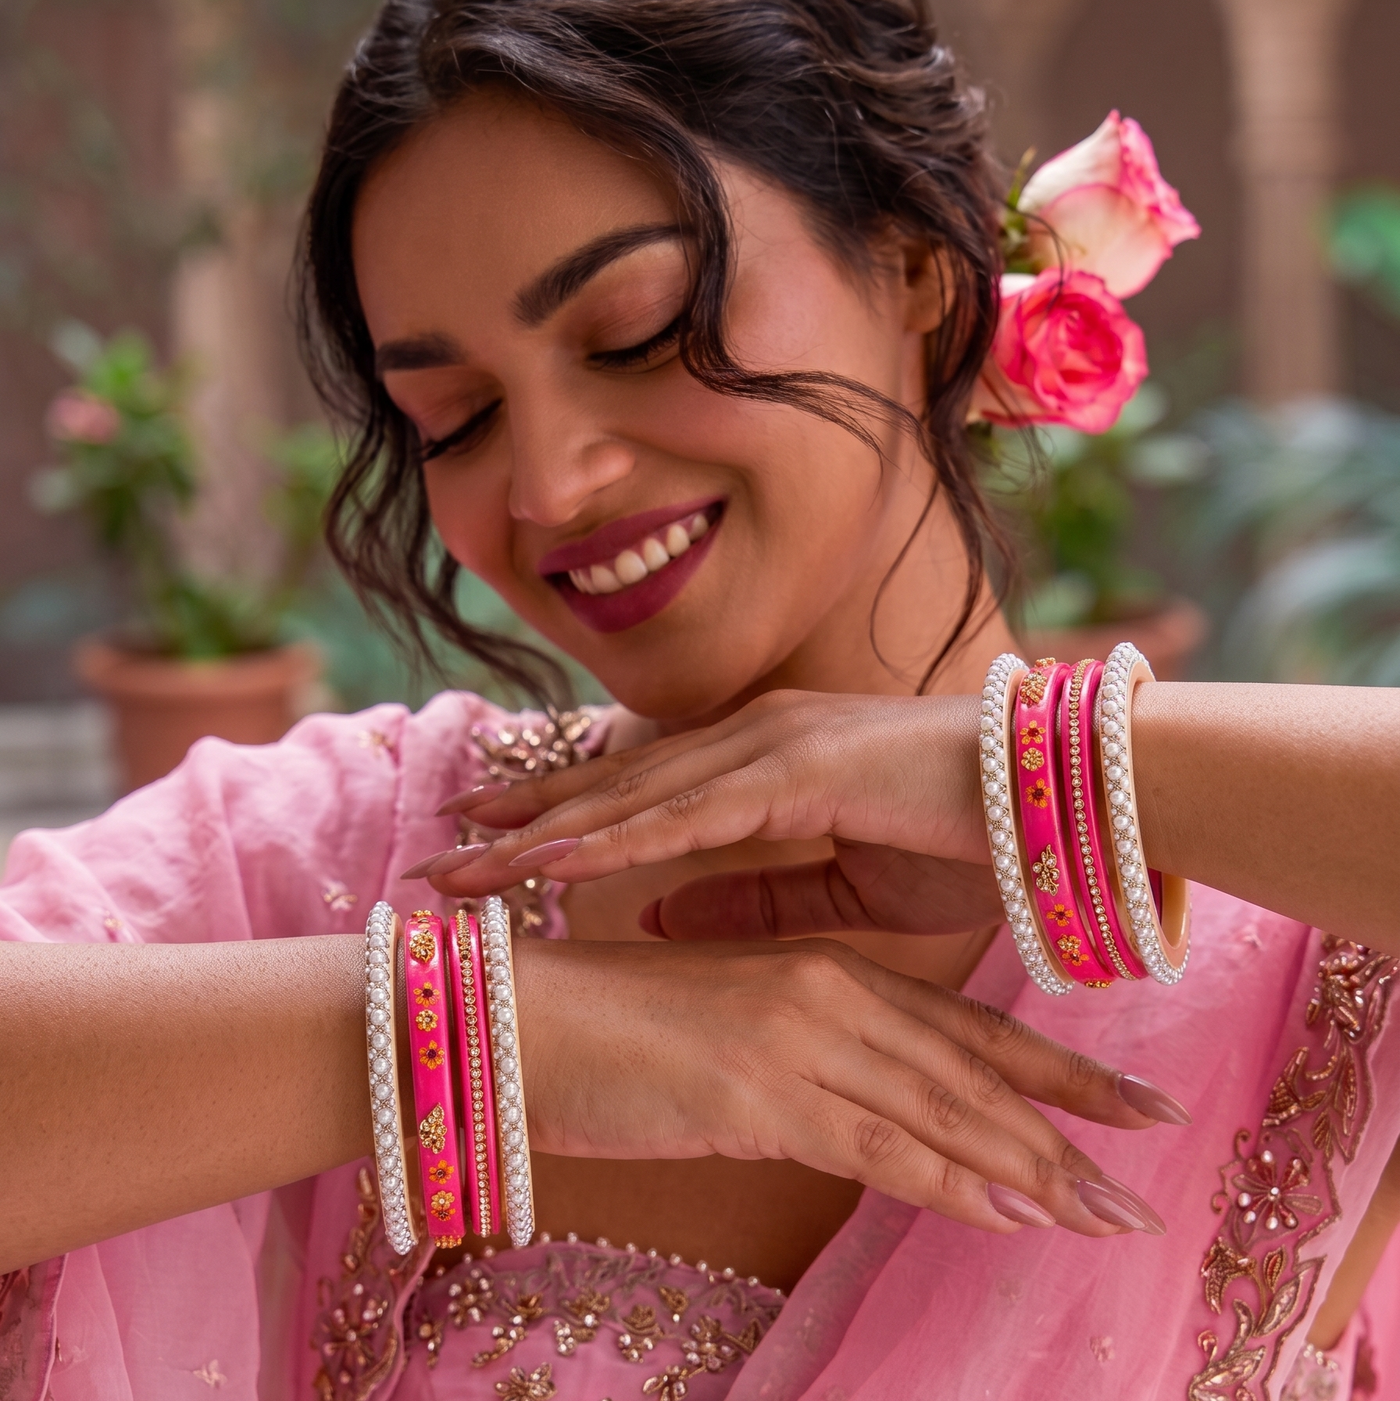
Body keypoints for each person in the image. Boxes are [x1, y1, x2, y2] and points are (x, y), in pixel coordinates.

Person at [2, 1, 1398, 1398]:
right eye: (457, 419)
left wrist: (1033, 773)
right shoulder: (370, 861)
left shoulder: (1312, 945)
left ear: (921, 262)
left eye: (638, 331)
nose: (547, 487)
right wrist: (501, 1032)